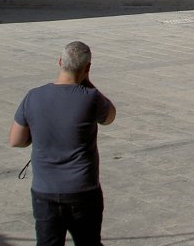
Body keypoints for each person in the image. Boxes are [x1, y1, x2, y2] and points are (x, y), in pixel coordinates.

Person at [9, 41, 116, 246]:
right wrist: (87, 81)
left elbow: (16, 140)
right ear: (88, 68)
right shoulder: (91, 98)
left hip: (45, 191)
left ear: (59, 62)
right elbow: (110, 117)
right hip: (83, 190)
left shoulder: (33, 96)